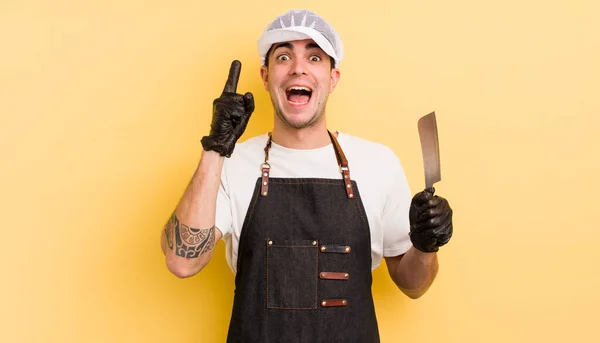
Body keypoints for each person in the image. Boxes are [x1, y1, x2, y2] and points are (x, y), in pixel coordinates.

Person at [160, 9, 453, 343]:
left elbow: (413, 285)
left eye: (314, 57)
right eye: (283, 56)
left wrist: (427, 246)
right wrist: (215, 148)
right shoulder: (233, 163)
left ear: (333, 78)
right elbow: (182, 263)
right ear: (266, 76)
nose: (298, 67)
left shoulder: (377, 163)